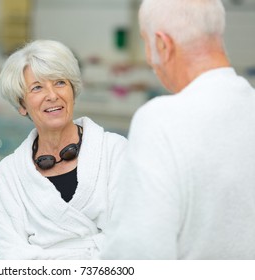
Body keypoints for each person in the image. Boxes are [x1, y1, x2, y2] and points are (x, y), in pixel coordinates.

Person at [101, 0, 255, 259]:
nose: (150, 59)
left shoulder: (160, 120)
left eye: (146, 43)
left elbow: (140, 253)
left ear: (163, 44)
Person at [0, 39, 128, 259]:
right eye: (37, 87)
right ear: (22, 105)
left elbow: (130, 235)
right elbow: (7, 252)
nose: (52, 95)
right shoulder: (10, 172)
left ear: (73, 90)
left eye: (60, 83)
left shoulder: (115, 150)